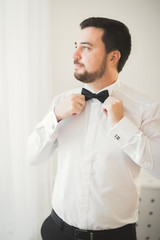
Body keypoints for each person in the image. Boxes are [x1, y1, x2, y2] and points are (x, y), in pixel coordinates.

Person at [27, 17, 160, 240]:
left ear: (113, 56)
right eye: (75, 46)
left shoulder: (146, 107)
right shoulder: (61, 102)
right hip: (57, 231)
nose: (75, 55)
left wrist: (122, 127)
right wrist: (55, 116)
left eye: (86, 48)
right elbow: (32, 157)